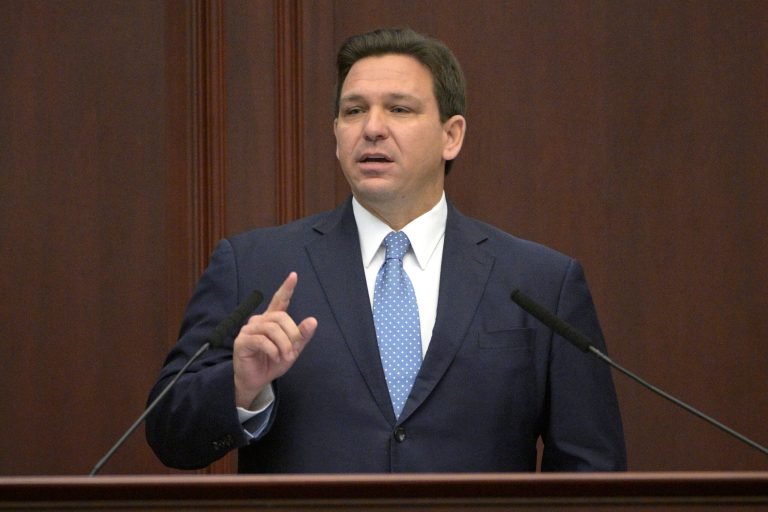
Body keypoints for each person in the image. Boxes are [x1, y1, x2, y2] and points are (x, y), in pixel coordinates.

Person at [146, 27, 626, 472]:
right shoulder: (253, 267)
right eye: (354, 111)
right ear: (336, 135)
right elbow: (168, 432)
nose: (371, 128)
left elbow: (591, 471)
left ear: (451, 135)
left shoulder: (540, 283)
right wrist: (240, 385)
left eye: (399, 109)